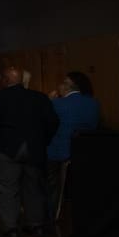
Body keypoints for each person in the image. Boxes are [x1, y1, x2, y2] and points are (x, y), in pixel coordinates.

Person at [0, 66, 58, 237]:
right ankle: (36, 225)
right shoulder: (39, 98)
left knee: (7, 190)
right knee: (34, 188)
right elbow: (53, 122)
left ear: (5, 80)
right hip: (34, 150)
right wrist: (42, 141)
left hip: (5, 150)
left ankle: (11, 228)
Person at [45, 71, 100, 226]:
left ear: (67, 87)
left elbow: (46, 122)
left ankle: (51, 214)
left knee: (52, 184)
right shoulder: (93, 103)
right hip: (84, 152)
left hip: (57, 151)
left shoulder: (57, 103)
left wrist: (49, 100)